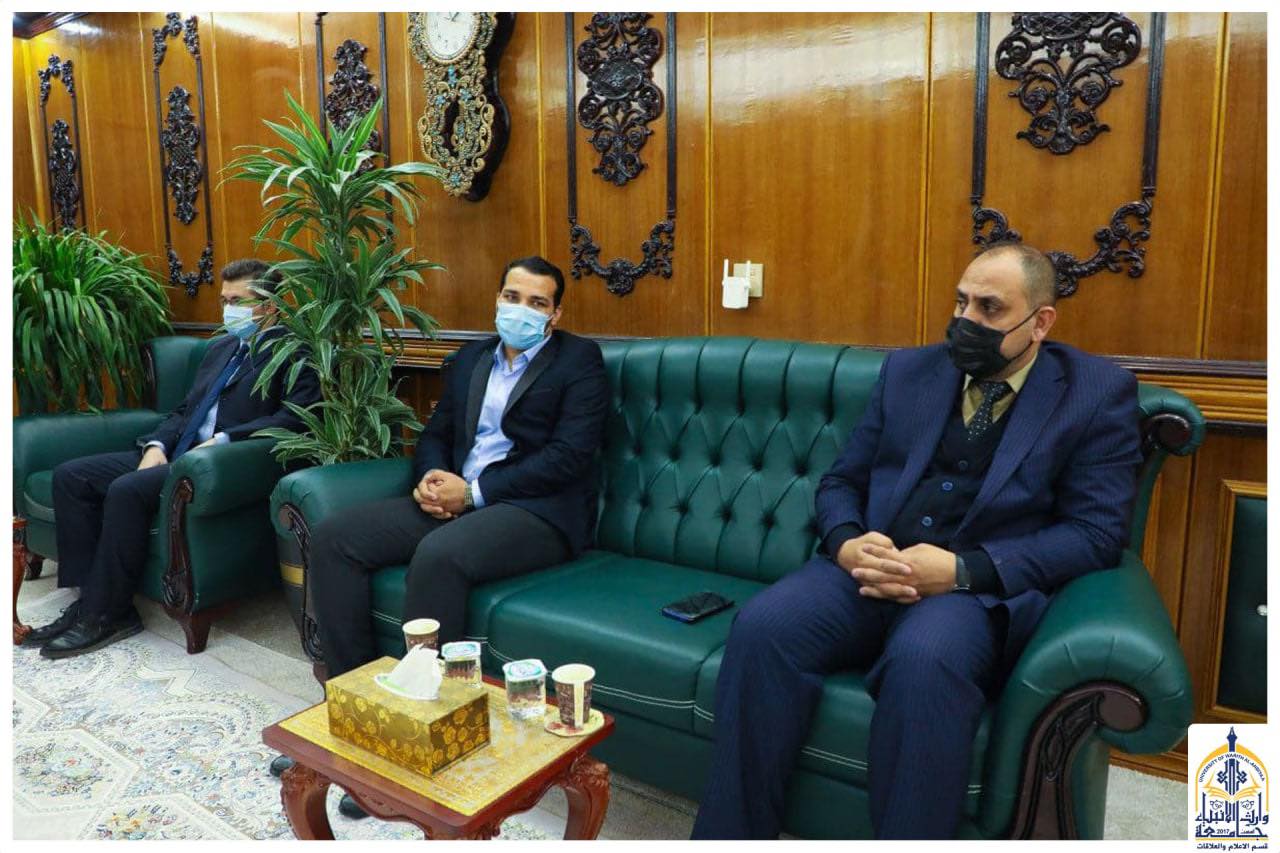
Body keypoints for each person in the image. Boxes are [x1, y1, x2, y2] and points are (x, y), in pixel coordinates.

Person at [691, 241, 1143, 840]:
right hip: (868, 567)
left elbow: (1095, 534)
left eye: (989, 308)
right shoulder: (910, 372)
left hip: (973, 593)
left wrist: (962, 571)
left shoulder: (1095, 393)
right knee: (762, 627)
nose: (966, 321)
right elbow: (841, 481)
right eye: (960, 302)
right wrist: (848, 542)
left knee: (924, 662)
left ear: (1040, 323)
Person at [307, 255, 610, 678]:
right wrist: (430, 480)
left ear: (554, 315)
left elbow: (568, 456)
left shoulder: (579, 360)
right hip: (456, 501)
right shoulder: (472, 358)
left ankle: (425, 695)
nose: (521, 309)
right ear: (497, 299)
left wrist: (471, 493)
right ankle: (352, 685)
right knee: (334, 538)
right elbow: (436, 434)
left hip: (535, 511)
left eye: (537, 303)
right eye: (512, 297)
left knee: (440, 554)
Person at [27, 259, 321, 659]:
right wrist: (155, 446)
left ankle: (107, 615)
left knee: (127, 490)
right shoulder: (222, 347)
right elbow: (184, 410)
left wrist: (221, 441)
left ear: (270, 305)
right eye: (224, 300)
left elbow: (294, 419)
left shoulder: (296, 352)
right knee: (71, 476)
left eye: (238, 301)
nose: (228, 309)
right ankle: (88, 599)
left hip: (216, 466)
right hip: (175, 452)